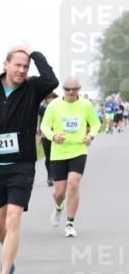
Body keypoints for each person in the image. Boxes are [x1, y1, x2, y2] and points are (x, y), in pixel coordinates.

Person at [0, 45, 58, 274]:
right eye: (17, 65)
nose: (21, 70)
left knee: (13, 219)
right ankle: (10, 257)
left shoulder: (33, 88)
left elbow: (52, 80)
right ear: (5, 65)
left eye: (25, 66)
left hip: (22, 166)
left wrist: (34, 53)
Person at [40, 77, 101, 237]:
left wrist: (90, 136)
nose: (71, 92)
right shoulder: (54, 105)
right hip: (59, 152)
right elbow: (44, 126)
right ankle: (59, 207)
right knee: (59, 193)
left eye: (74, 89)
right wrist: (53, 136)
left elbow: (95, 124)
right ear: (63, 89)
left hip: (78, 149)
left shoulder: (86, 105)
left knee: (73, 185)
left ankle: (70, 223)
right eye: (67, 89)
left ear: (79, 89)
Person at [37, 92, 58, 186]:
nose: (50, 100)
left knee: (56, 157)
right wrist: (39, 135)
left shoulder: (60, 109)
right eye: (48, 98)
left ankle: (58, 175)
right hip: (45, 135)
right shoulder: (42, 109)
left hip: (58, 135)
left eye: (52, 98)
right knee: (48, 157)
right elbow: (40, 122)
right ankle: (50, 177)